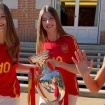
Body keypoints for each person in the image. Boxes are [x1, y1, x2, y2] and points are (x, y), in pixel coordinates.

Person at [36, 5, 79, 105]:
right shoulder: (40, 43)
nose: (48, 22)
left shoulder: (69, 40)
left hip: (69, 91)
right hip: (48, 91)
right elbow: (40, 69)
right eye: (44, 20)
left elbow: (79, 69)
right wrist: (35, 74)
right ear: (41, 23)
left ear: (57, 19)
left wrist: (59, 64)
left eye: (51, 18)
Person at [0, 3, 37, 105]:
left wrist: (34, 69)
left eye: (3, 16)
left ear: (8, 20)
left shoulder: (14, 43)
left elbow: (14, 66)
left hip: (10, 95)